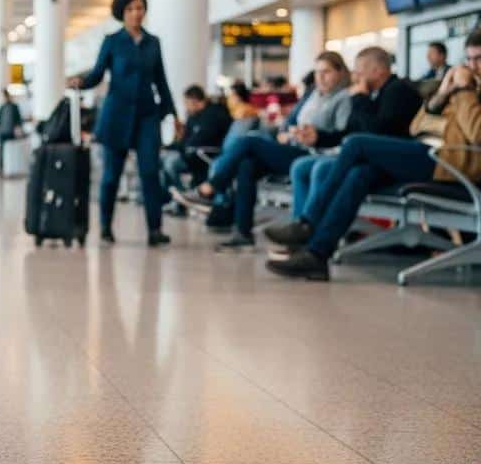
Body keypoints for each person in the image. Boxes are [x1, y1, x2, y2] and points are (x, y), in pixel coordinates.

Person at [266, 31, 481, 280]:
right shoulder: (463, 91)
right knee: (360, 173)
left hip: (450, 164)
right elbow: (417, 126)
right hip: (427, 153)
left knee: (356, 144)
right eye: (469, 59)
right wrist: (443, 93)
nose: (472, 66)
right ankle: (317, 255)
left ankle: (308, 222)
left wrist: (464, 92)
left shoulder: (467, 92)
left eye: (478, 59)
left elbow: (477, 134)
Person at [172, 53, 352, 249]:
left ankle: (211, 188)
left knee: (249, 142)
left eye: (326, 72)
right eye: (318, 72)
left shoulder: (344, 98)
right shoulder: (313, 94)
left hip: (315, 154)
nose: (321, 77)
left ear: (340, 73)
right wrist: (286, 132)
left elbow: (342, 137)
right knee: (246, 165)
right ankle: (243, 233)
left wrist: (314, 135)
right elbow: (290, 121)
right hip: (293, 147)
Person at [68, 0, 177, 246]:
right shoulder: (112, 41)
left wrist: (171, 114)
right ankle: (105, 227)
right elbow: (97, 74)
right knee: (110, 176)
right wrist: (79, 82)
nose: (136, 13)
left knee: (150, 173)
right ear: (121, 13)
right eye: (130, 9)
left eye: (139, 8)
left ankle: (155, 229)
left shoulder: (153, 43)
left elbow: (161, 82)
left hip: (147, 117)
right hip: (116, 116)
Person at [283, 47, 422, 226]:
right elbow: (350, 133)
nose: (356, 77)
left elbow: (376, 133)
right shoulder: (373, 95)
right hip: (368, 159)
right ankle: (301, 226)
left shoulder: (397, 91)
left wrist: (359, 99)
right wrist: (318, 138)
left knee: (321, 168)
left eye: (359, 72)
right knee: (301, 167)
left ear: (377, 71)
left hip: (393, 163)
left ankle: (309, 226)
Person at [160, 84, 231, 198]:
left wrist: (177, 147)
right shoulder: (193, 116)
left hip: (204, 155)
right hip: (190, 153)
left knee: (170, 162)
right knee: (161, 158)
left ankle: (182, 198)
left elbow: (198, 141)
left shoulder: (215, 114)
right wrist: (167, 147)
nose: (186, 106)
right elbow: (185, 140)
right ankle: (169, 198)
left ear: (194, 100)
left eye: (187, 103)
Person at [0, 88, 24, 174]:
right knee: (2, 150)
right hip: (3, 132)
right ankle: (2, 168)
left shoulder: (14, 107)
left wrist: (18, 129)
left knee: (11, 150)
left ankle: (11, 168)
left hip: (11, 132)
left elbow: (18, 120)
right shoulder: (2, 107)